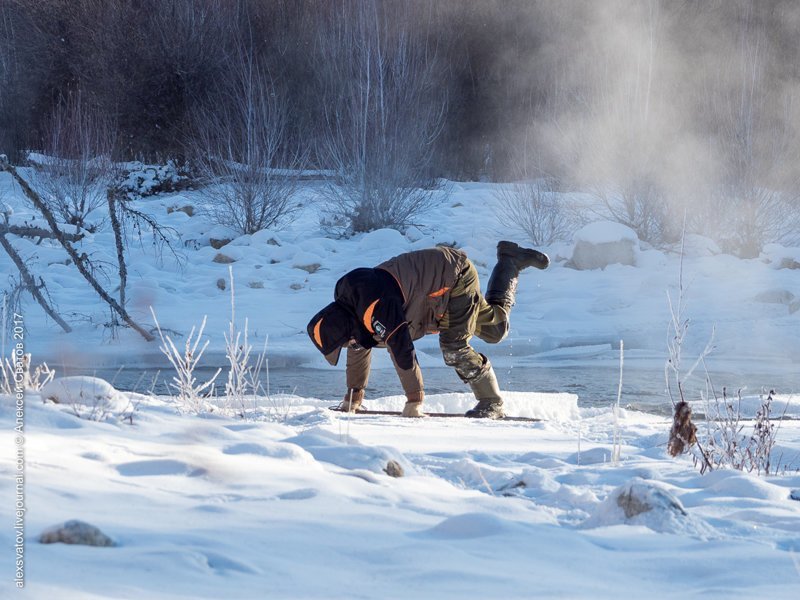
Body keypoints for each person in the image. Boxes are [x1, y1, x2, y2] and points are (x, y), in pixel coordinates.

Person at [307, 241, 549, 418]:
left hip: (454, 277)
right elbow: (358, 345)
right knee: (496, 329)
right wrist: (354, 396)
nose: (349, 344)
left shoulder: (377, 306)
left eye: (344, 342)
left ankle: (491, 402)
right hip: (435, 287)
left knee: (454, 347)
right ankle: (510, 261)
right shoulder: (350, 308)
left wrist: (415, 401)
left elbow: (402, 349)